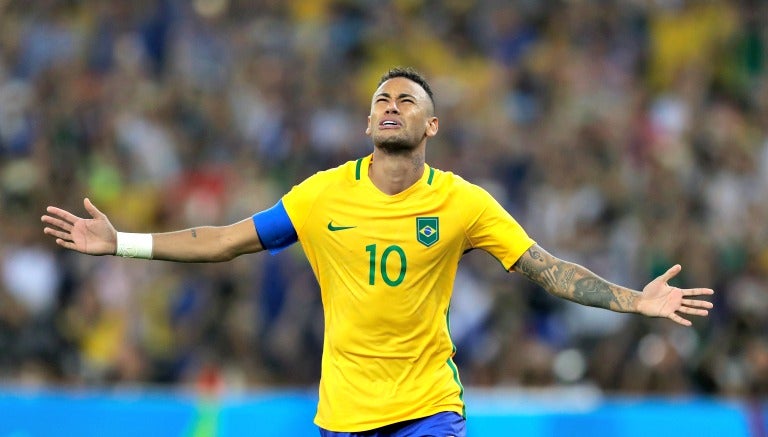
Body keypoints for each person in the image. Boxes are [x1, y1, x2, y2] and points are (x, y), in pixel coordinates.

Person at [41, 67, 714, 437]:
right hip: (344, 415)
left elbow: (546, 268)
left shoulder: (465, 203)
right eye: (381, 100)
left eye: (407, 100)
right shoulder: (321, 195)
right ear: (368, 122)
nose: (392, 106)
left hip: (428, 409)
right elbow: (224, 240)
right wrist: (120, 241)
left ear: (432, 124)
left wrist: (637, 299)